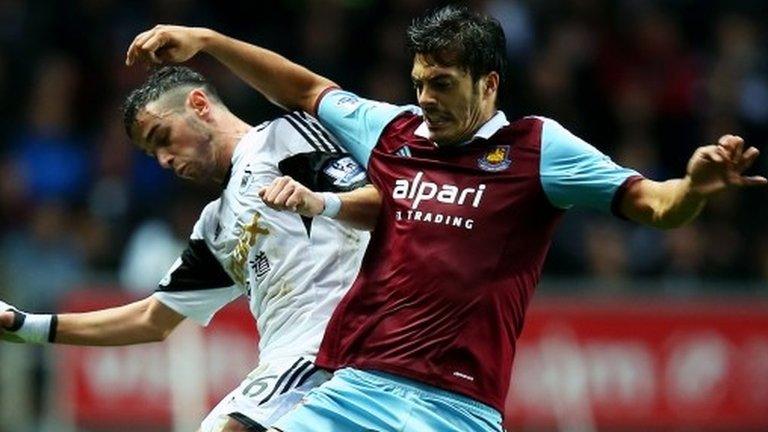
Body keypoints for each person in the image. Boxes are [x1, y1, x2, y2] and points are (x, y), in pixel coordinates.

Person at [124, 6, 766, 432]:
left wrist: (694, 187)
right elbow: (304, 89)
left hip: (458, 406)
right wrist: (207, 43)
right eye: (420, 81)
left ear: (488, 84)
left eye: (444, 85)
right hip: (356, 389)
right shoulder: (394, 131)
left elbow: (655, 206)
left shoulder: (539, 149)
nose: (427, 100)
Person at [0, 65, 380, 432]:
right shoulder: (216, 226)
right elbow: (153, 319)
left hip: (333, 347)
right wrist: (27, 327)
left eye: (163, 137)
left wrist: (321, 202)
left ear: (199, 105)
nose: (164, 160)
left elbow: (383, 204)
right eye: (153, 154)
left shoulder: (282, 139)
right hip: (289, 362)